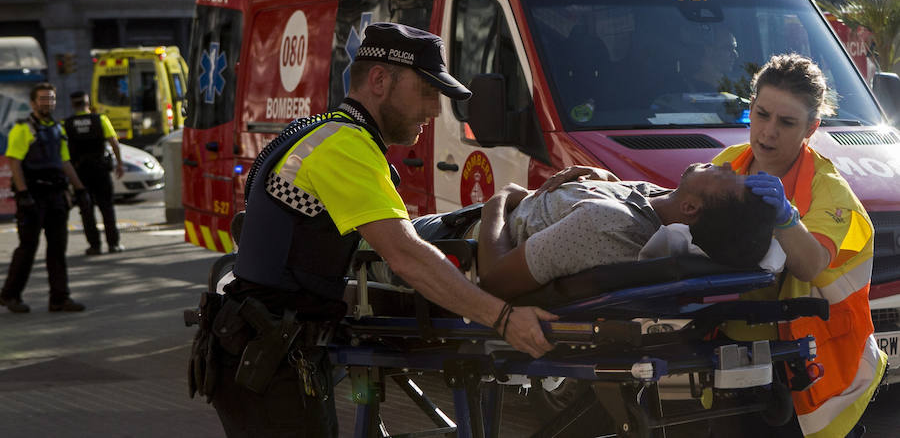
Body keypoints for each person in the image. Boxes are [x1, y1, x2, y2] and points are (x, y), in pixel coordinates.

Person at [203, 23, 556, 437]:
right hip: (269, 358)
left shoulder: (321, 130)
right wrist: (503, 317)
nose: (434, 109)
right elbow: (405, 255)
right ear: (379, 79)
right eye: (426, 92)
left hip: (263, 347)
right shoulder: (345, 147)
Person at [709, 54, 886, 437]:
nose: (768, 132)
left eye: (786, 122)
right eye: (761, 114)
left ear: (811, 128)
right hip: (734, 353)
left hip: (810, 363)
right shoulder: (727, 164)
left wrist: (786, 218)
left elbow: (811, 265)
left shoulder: (831, 191)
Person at [477, 163, 776, 299]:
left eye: (725, 176)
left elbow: (494, 281)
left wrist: (499, 199)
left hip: (465, 240)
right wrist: (603, 179)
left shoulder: (607, 225)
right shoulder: (659, 203)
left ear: (690, 209)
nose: (724, 164)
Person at [1, 82, 88, 313]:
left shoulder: (57, 129)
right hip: (33, 196)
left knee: (58, 247)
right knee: (28, 247)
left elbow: (64, 162)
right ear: (32, 103)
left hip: (55, 196)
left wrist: (80, 189)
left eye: (51, 98)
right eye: (42, 99)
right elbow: (15, 162)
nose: (47, 103)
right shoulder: (22, 129)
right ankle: (10, 295)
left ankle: (59, 298)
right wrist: (23, 193)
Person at [64, 91, 125, 255]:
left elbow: (63, 152)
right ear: (87, 102)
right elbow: (114, 143)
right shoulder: (100, 119)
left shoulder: (67, 124)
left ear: (73, 104)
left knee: (86, 209)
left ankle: (94, 246)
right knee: (107, 207)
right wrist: (119, 164)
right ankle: (113, 244)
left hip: (79, 173)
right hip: (100, 170)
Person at [683, 27, 738, 92]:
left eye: (734, 49)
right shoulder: (686, 90)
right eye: (728, 48)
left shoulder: (735, 88)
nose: (735, 55)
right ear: (709, 50)